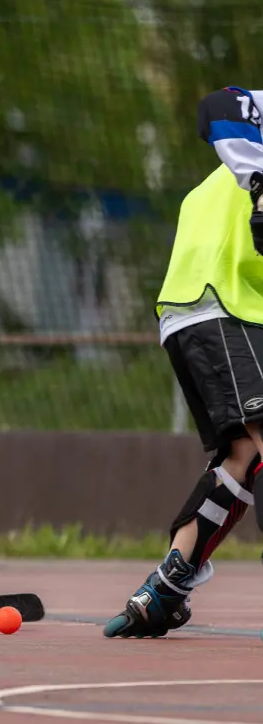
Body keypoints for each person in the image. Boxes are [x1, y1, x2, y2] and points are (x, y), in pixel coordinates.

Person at [104, 86, 263, 638]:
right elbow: (219, 105)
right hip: (221, 297)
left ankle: (165, 588)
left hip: (202, 308)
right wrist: (260, 187)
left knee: (244, 457)